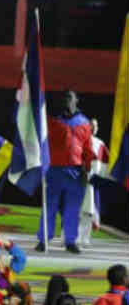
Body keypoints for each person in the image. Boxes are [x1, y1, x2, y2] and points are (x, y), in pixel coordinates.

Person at [37, 90, 93, 254]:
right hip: (54, 170)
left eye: (69, 97)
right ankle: (44, 239)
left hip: (76, 172)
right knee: (50, 205)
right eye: (63, 98)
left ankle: (70, 241)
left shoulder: (84, 123)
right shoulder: (52, 121)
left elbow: (88, 149)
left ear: (76, 100)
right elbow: (43, 144)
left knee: (73, 208)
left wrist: (86, 170)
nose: (65, 100)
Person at [78, 118, 107, 245]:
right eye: (92, 125)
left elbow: (106, 163)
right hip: (78, 179)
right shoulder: (79, 139)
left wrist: (98, 178)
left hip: (91, 182)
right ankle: (68, 237)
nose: (94, 128)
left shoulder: (100, 144)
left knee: (88, 211)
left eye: (96, 126)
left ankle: (85, 239)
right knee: (74, 210)